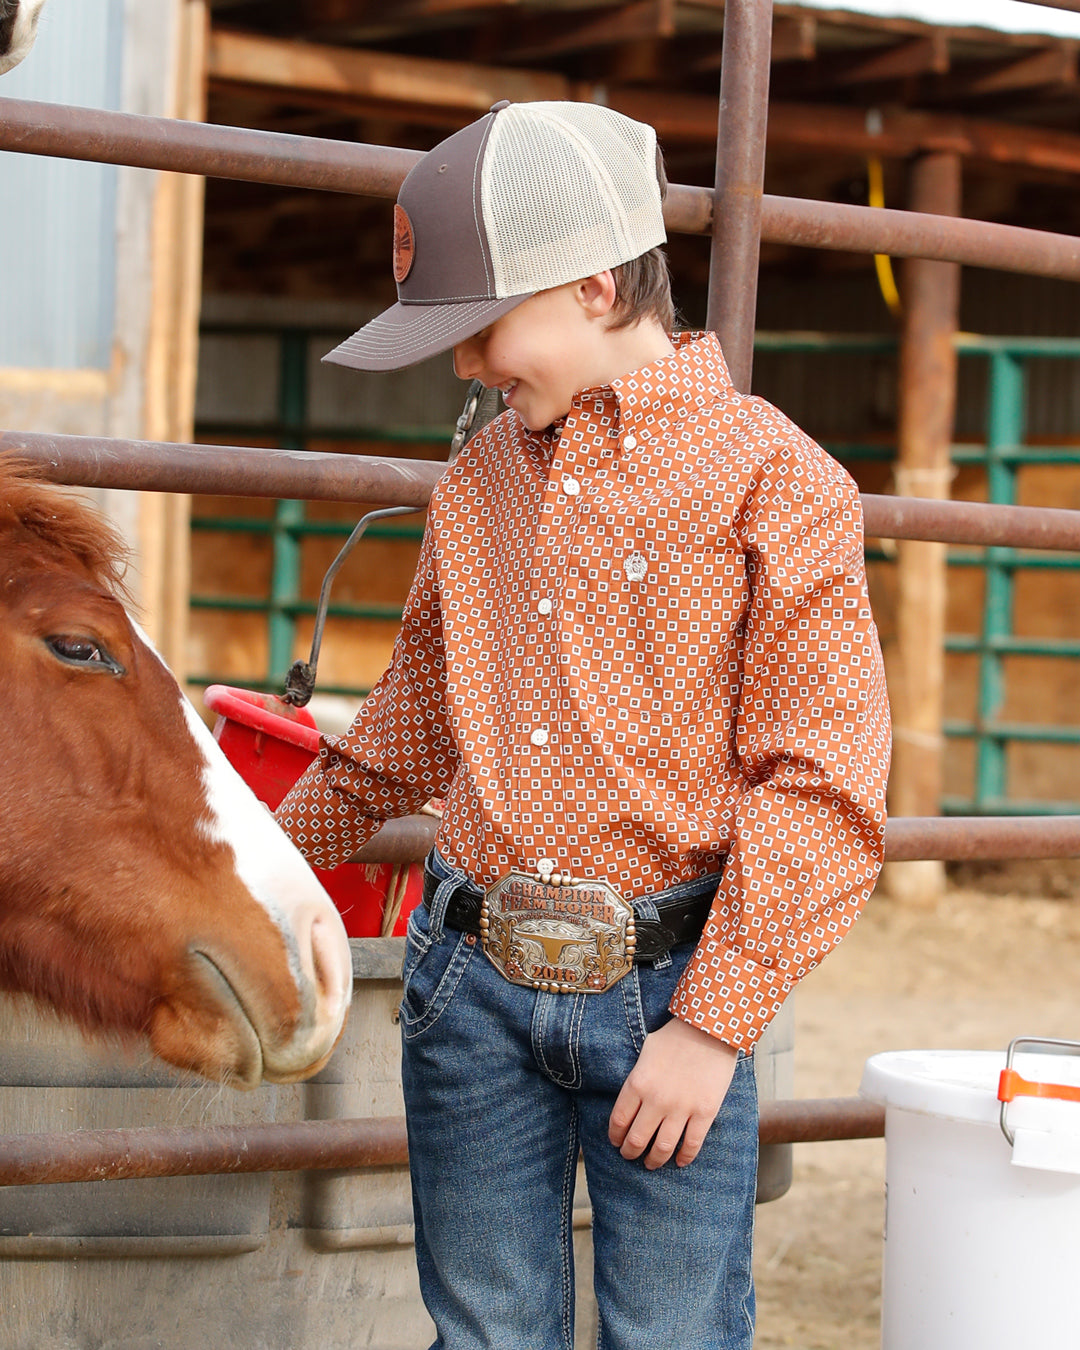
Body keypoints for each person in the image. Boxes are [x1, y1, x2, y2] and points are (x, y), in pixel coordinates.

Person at [277, 99, 890, 1350]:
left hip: (668, 997)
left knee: (672, 1331)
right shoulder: (481, 477)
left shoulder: (779, 482)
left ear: (596, 285)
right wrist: (266, 863)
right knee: (486, 1331)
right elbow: (410, 719)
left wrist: (713, 1028)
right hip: (472, 985)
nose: (462, 368)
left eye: (479, 329)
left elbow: (818, 783)